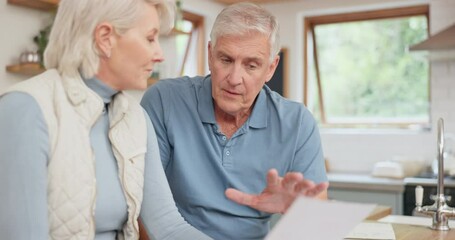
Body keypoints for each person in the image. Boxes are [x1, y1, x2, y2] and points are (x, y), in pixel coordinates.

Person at [0, 0, 211, 239]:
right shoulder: (24, 109)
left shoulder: (136, 118)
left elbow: (169, 226)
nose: (159, 55)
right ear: (105, 38)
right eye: (150, 39)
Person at [140, 2, 329, 239]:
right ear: (210, 54)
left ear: (271, 68)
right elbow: (143, 210)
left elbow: (317, 218)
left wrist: (300, 213)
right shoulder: (164, 100)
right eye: (226, 60)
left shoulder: (298, 122)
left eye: (251, 65)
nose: (234, 79)